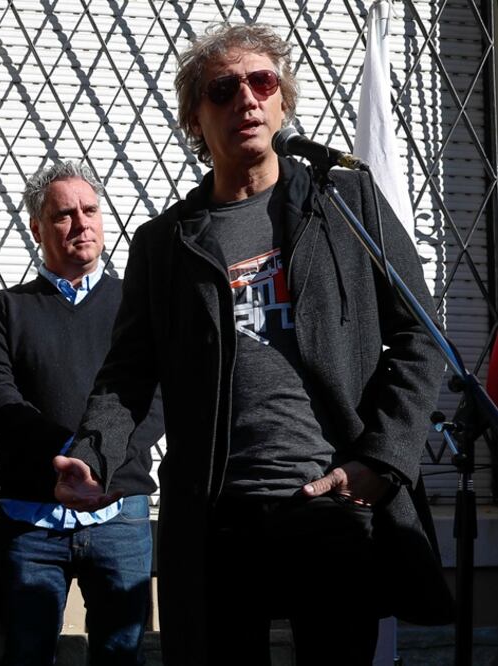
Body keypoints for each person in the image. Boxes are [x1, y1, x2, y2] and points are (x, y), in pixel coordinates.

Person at [53, 23, 453, 666]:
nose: (247, 98)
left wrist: (381, 461)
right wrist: (93, 450)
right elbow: (129, 373)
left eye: (262, 81)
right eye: (223, 88)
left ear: (281, 101)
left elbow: (420, 335)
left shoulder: (344, 202)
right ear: (195, 117)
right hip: (215, 518)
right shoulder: (166, 243)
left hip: (331, 500)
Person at [0, 161, 161, 665]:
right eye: (64, 214)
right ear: (37, 229)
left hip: (121, 511)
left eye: (90, 210)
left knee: (122, 655)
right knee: (26, 655)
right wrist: (67, 454)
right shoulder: (7, 309)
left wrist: (99, 460)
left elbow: (159, 395)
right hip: (32, 522)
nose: (82, 223)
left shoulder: (136, 304)